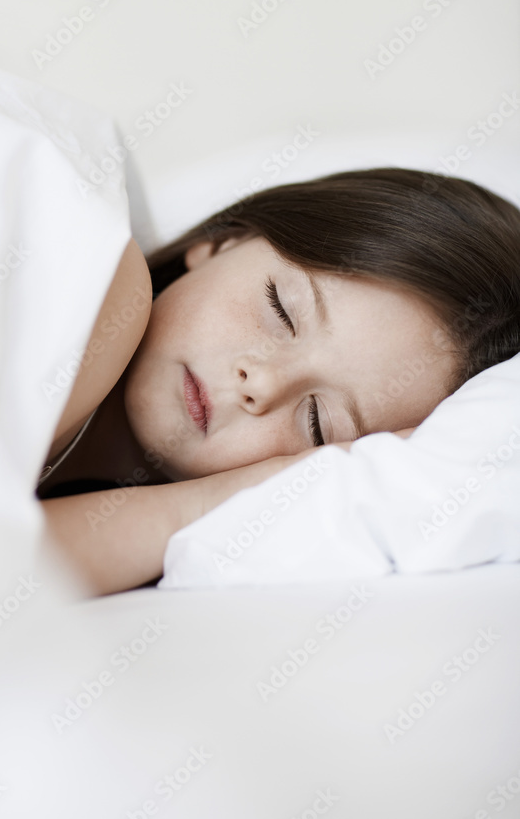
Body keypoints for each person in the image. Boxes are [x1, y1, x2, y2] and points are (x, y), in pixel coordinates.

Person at [36, 166, 520, 596]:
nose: (261, 383)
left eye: (317, 422)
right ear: (225, 241)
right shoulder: (103, 285)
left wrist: (219, 501)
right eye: (280, 309)